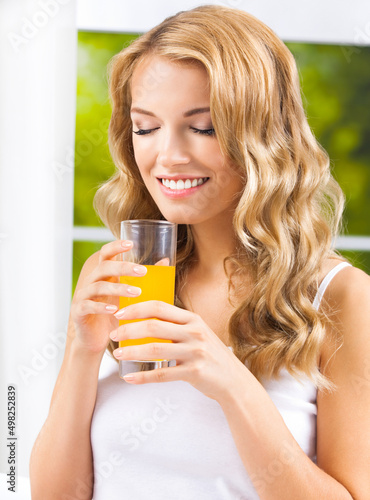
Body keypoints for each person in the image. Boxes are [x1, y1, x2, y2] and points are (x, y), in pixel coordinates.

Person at [30, 5, 370, 499]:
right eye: (145, 127)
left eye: (203, 126)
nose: (167, 155)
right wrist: (81, 349)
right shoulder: (135, 276)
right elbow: (56, 495)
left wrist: (231, 384)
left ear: (262, 135)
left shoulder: (341, 297)